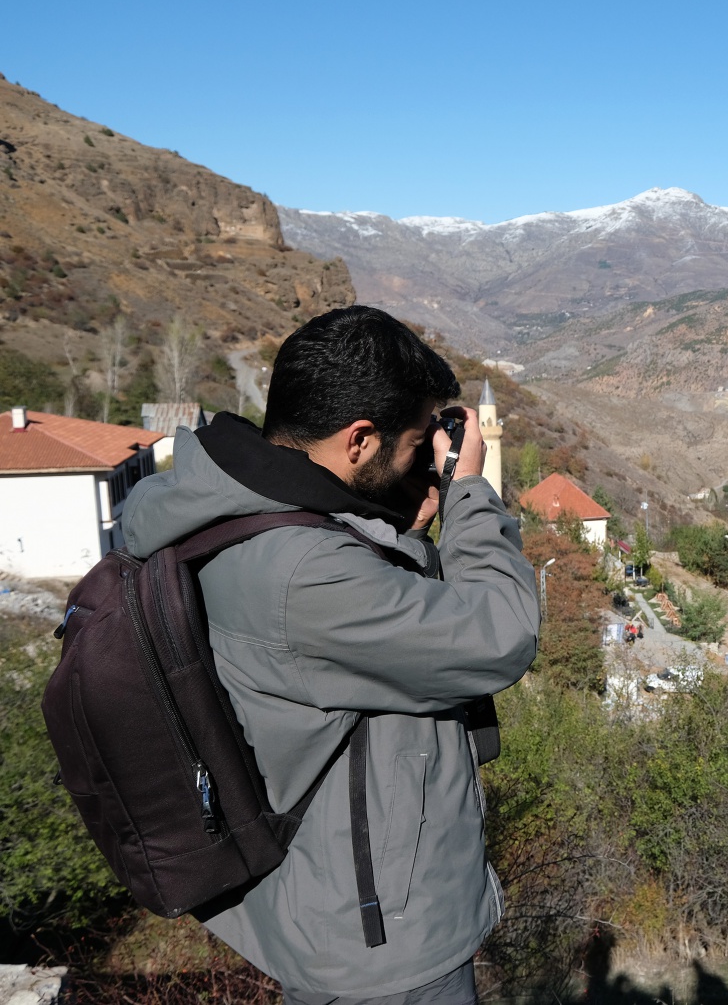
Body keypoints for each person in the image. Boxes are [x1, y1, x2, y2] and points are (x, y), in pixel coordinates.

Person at [122, 306, 540, 1004]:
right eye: (412, 444)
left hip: (333, 900)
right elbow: (498, 635)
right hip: (381, 942)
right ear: (359, 438)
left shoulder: (238, 508)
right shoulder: (305, 570)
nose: (421, 461)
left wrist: (388, 525)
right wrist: (471, 494)